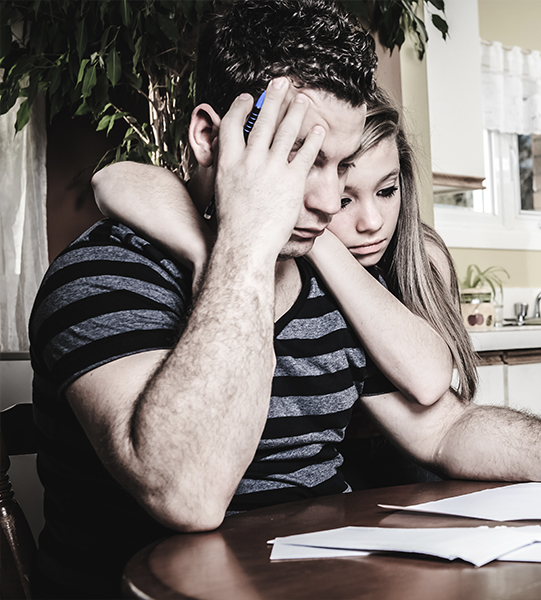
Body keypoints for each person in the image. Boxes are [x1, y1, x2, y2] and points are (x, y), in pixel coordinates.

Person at [28, 2, 541, 598]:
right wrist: (243, 245)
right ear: (208, 137)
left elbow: (445, 426)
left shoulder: (319, 279)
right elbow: (188, 495)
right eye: (298, 158)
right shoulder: (107, 275)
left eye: (338, 165)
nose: (325, 200)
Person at [93, 86, 479, 489]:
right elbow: (111, 178)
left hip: (404, 467)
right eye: (346, 200)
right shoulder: (284, 257)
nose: (371, 222)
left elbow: (431, 384)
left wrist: (319, 242)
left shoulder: (418, 255)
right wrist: (214, 250)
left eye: (386, 191)